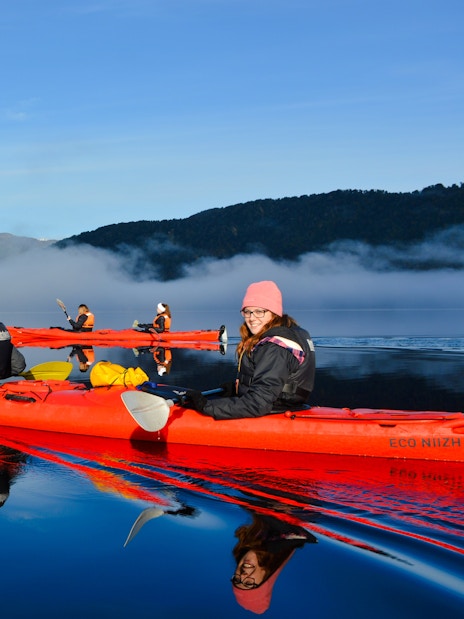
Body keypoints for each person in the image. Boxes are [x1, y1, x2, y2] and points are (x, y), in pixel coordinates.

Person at [183, 281, 315, 419]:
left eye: (259, 311)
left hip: (274, 411)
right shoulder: (292, 332)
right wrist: (237, 390)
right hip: (286, 406)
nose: (252, 318)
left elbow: (258, 403)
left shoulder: (275, 347)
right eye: (247, 312)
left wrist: (206, 407)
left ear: (274, 313)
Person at [231, 512, 317, 614]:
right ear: (266, 576)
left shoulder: (259, 534)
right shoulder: (288, 537)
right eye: (249, 583)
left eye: (237, 580)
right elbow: (306, 537)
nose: (243, 576)